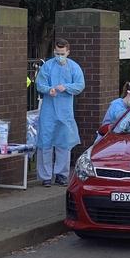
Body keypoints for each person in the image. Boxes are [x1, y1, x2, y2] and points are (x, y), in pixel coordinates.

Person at [35, 38, 84, 186]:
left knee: (64, 143)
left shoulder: (74, 67)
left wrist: (67, 87)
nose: (59, 56)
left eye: (62, 53)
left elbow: (80, 85)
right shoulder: (48, 66)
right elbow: (39, 84)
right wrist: (47, 89)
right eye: (57, 53)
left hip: (65, 111)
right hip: (48, 111)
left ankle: (61, 175)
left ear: (68, 52)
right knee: (45, 142)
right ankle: (45, 176)